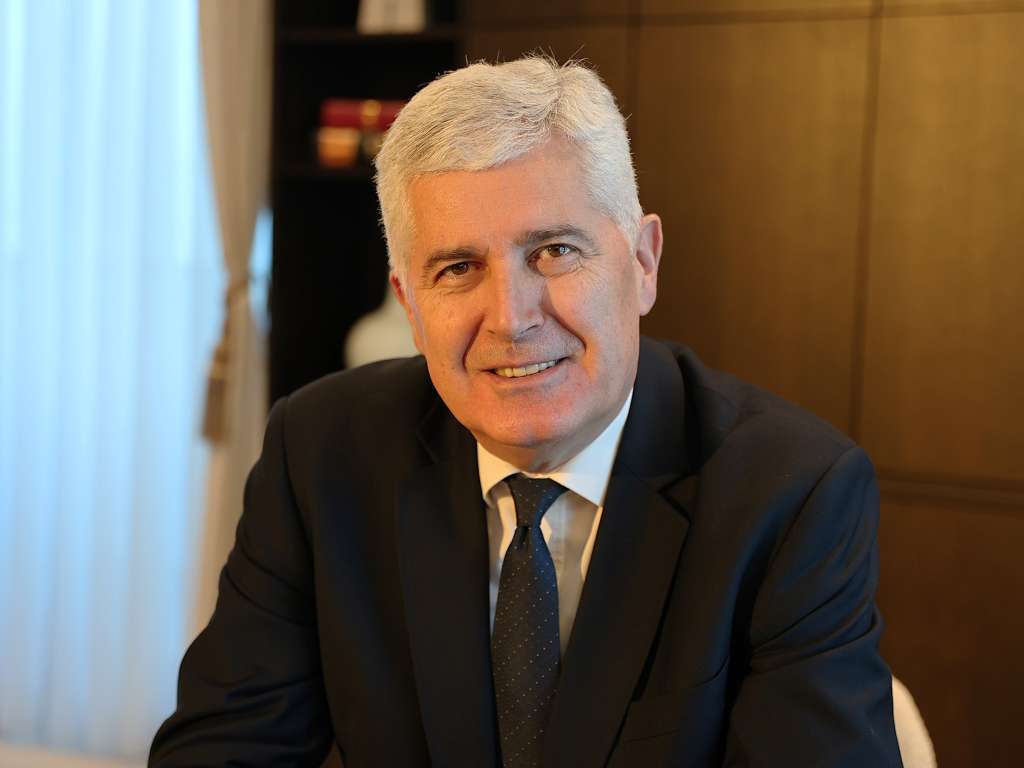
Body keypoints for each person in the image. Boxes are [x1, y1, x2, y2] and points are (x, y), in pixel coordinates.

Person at [150, 56, 901, 767]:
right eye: (458, 267)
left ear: (643, 263)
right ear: (410, 305)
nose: (511, 318)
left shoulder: (790, 492)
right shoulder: (321, 454)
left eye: (554, 251)